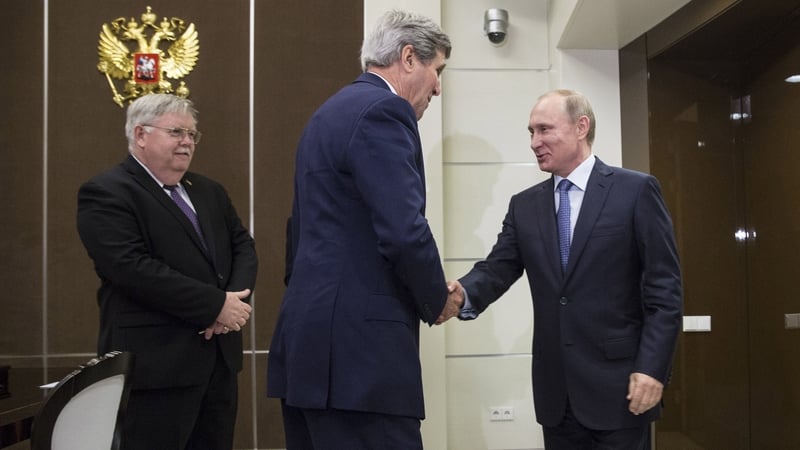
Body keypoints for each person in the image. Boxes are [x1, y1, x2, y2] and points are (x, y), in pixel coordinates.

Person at [266, 10, 462, 450]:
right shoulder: (384, 111)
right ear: (409, 58)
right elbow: (403, 230)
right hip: (359, 364)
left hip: (309, 351)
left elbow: (298, 232)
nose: (438, 87)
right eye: (438, 71)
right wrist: (436, 298)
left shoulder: (327, 114)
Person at [450, 89, 682, 449]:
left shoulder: (635, 191)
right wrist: (461, 294)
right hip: (556, 396)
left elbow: (665, 292)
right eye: (531, 132)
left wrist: (653, 369)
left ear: (580, 127)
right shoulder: (524, 206)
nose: (534, 142)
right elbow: (498, 268)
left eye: (544, 129)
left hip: (622, 390)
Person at [76, 93, 258, 450]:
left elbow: (243, 247)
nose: (187, 142)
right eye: (176, 132)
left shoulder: (209, 191)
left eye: (192, 135)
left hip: (217, 362)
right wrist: (213, 305)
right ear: (140, 134)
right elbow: (130, 268)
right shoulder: (107, 192)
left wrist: (230, 303)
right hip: (155, 368)